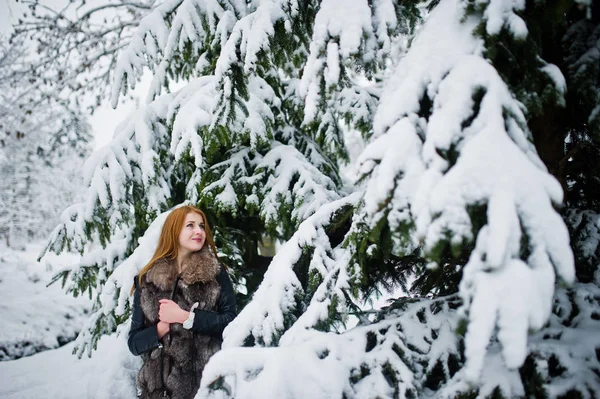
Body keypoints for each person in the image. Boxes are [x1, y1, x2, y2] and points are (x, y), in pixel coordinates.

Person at [128, 205, 237, 399]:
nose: (199, 231)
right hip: (157, 394)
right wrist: (160, 329)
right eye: (190, 225)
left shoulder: (216, 274)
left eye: (202, 226)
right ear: (174, 230)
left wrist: (187, 318)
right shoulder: (147, 280)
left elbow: (232, 324)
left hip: (205, 390)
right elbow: (134, 343)